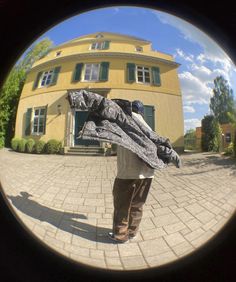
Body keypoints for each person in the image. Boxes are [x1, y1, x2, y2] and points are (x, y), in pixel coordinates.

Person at [108, 100, 155, 243]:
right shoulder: (148, 128)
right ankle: (133, 232)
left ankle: (121, 235)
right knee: (137, 204)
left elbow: (114, 144)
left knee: (122, 205)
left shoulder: (123, 124)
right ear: (141, 112)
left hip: (127, 174)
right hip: (147, 175)